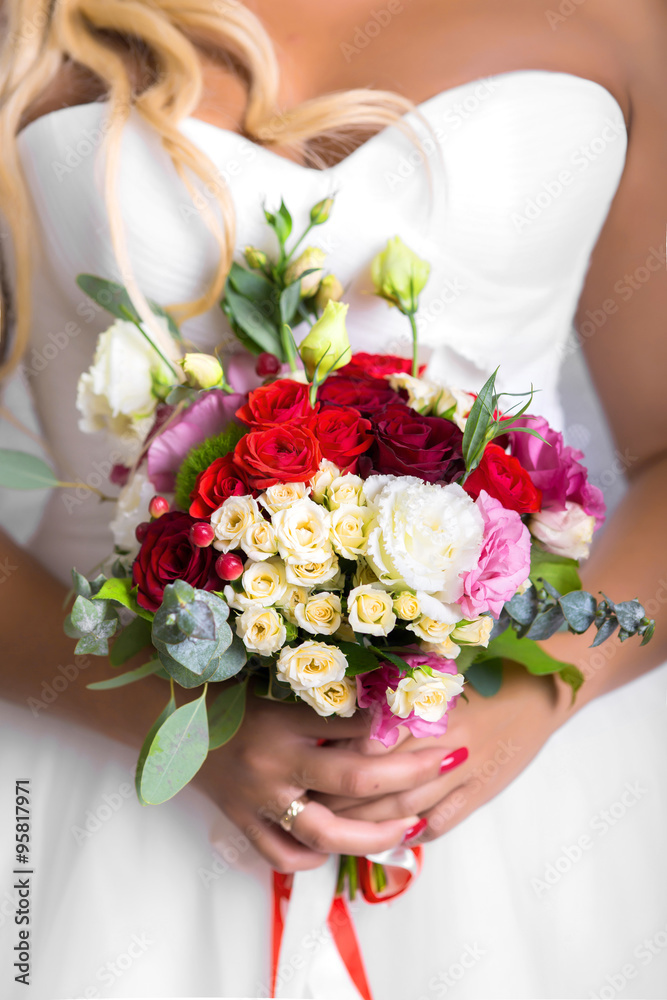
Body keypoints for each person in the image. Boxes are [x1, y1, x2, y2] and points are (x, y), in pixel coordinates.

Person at [0, 1, 666, 997]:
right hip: (99, 764)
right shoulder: (30, 26)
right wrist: (167, 717)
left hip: (508, 787)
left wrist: (529, 700)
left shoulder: (629, 20)